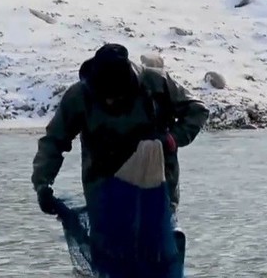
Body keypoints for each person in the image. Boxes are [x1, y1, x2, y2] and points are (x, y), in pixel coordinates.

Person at [30, 43, 209, 223]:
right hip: (103, 192)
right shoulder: (79, 97)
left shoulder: (156, 84)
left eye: (116, 97)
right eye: (104, 96)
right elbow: (53, 141)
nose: (109, 101)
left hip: (157, 188)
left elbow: (197, 110)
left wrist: (173, 139)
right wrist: (42, 184)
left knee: (157, 241)